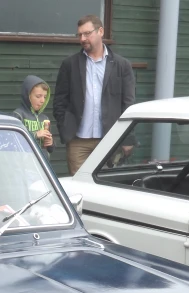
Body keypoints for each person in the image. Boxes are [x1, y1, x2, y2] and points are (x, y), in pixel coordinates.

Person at [53, 14, 136, 175]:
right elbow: (60, 101)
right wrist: (65, 127)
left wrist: (128, 138)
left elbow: (128, 105)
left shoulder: (122, 65)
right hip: (78, 141)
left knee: (105, 188)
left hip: (109, 140)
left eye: (87, 33)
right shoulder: (69, 65)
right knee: (79, 189)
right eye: (80, 35)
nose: (83, 38)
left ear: (100, 31)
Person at [12, 75, 54, 158]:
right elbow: (14, 141)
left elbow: (50, 149)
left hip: (42, 164)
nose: (42, 100)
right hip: (24, 162)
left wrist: (50, 143)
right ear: (27, 96)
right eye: (38, 96)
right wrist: (35, 135)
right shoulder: (18, 115)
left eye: (45, 97)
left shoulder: (45, 119)